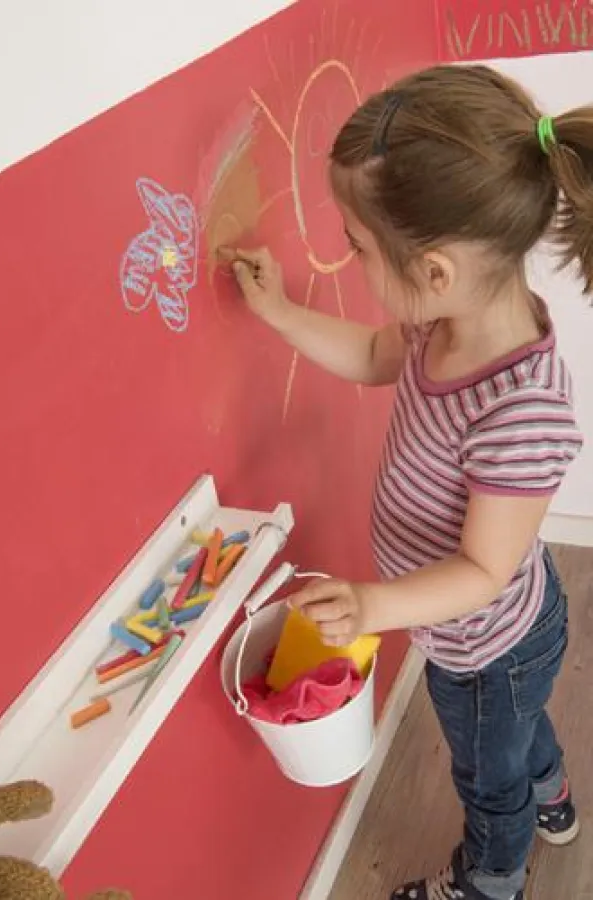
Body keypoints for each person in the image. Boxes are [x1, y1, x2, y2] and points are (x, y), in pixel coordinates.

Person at [225, 64, 587, 900]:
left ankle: (490, 882)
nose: (348, 257)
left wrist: (371, 606)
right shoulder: (434, 327)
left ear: (431, 271)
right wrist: (280, 314)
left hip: (487, 650)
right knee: (518, 742)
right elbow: (366, 356)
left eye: (355, 244)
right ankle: (553, 792)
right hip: (478, 641)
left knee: (484, 781)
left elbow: (482, 572)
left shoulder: (520, 412)